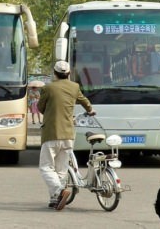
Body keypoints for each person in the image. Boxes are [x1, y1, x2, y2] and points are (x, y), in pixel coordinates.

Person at [38, 60, 95, 211]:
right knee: (61, 169)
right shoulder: (75, 87)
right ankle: (54, 199)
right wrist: (90, 110)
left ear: (55, 74)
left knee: (46, 167)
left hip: (51, 132)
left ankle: (59, 191)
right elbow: (84, 101)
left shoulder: (48, 88)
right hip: (69, 134)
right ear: (69, 73)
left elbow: (40, 107)